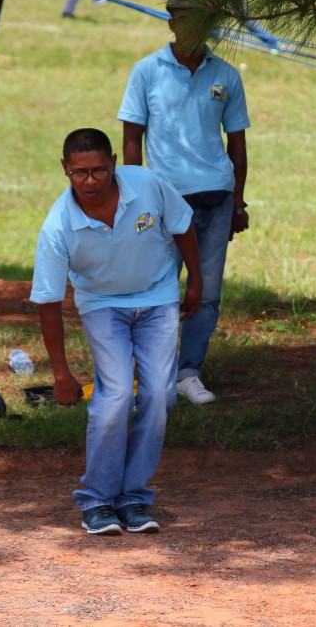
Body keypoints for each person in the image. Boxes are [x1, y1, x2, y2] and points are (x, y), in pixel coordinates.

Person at [31, 128, 202, 535]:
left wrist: (196, 280)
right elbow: (48, 303)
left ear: (113, 161)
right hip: (103, 306)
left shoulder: (146, 184)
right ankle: (96, 500)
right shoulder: (58, 226)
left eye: (99, 171)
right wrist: (60, 373)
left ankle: (133, 498)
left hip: (159, 297)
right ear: (64, 169)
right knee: (116, 396)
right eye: (80, 173)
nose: (91, 182)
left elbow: (182, 225)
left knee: (160, 395)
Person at [118, 0, 251, 406]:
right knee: (155, 288)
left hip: (217, 199)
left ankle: (187, 373)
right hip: (164, 202)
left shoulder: (226, 75)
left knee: (207, 292)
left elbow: (238, 142)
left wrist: (239, 201)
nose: (191, 27)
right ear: (171, 23)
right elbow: (131, 137)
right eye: (183, 19)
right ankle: (149, 374)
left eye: (200, 20)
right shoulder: (146, 72)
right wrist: (138, 194)